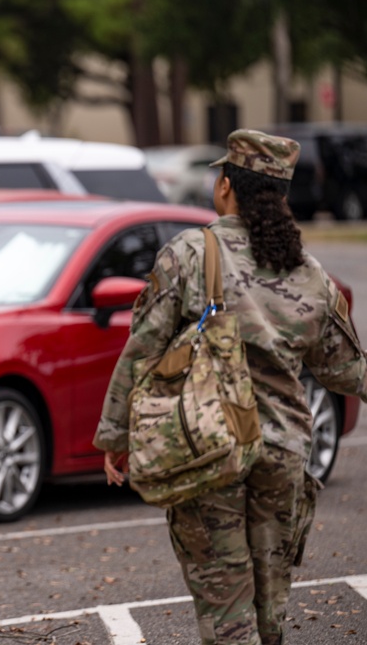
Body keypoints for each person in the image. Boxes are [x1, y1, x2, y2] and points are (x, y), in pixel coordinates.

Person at [94, 129, 367, 645]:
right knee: (269, 613)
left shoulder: (191, 255)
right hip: (284, 456)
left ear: (225, 187)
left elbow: (143, 348)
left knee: (227, 617)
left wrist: (116, 435)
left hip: (209, 451)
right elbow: (344, 369)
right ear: (281, 197)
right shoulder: (309, 273)